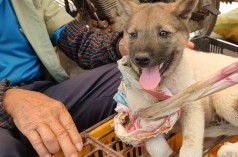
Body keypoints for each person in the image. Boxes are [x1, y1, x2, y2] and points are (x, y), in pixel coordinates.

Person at [0, 0, 195, 157]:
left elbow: (80, 42)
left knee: (127, 79)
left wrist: (132, 43)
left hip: (41, 91)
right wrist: (7, 98)